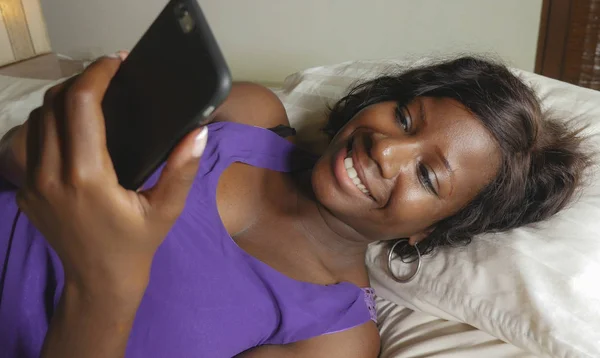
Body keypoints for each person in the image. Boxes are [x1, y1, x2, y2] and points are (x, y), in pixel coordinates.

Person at [0, 53, 589, 358]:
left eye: (428, 176)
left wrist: (104, 284)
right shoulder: (247, 115)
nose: (387, 149)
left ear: (431, 231)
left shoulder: (332, 339)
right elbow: (16, 151)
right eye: (405, 117)